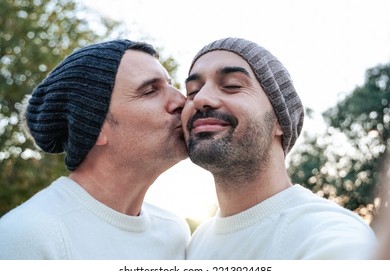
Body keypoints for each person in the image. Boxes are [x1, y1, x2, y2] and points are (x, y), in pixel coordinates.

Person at [182, 37, 377, 259]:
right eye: (192, 91)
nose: (201, 99)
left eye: (232, 86)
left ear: (279, 121)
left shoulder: (332, 236)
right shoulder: (197, 242)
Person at [0, 39, 190, 259]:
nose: (181, 100)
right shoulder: (27, 236)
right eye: (149, 91)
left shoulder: (174, 233)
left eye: (170, 84)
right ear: (93, 125)